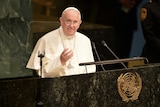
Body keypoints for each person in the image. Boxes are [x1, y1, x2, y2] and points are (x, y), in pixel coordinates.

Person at [26, 7, 96, 78]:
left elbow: (91, 68)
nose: (71, 26)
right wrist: (60, 61)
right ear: (61, 21)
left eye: (75, 22)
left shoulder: (85, 40)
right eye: (68, 21)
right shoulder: (46, 40)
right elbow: (41, 72)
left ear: (80, 23)